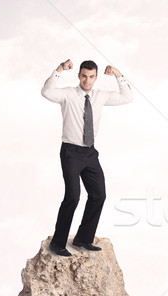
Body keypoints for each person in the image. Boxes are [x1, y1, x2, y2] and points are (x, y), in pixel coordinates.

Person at [41, 59, 133, 257]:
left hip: (90, 153)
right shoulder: (67, 94)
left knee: (99, 195)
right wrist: (59, 69)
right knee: (73, 196)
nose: (87, 80)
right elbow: (46, 92)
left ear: (96, 78)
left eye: (91, 77)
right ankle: (57, 243)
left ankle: (83, 238)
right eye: (84, 76)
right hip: (71, 152)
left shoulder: (100, 96)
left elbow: (127, 97)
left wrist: (118, 74)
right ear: (79, 76)